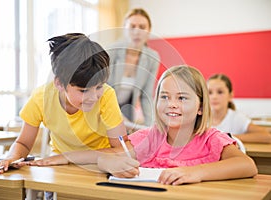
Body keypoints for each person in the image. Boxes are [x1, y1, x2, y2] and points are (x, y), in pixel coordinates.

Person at [0, 33, 129, 174]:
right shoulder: (41, 98)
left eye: (99, 87)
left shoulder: (107, 95)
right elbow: (23, 143)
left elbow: (121, 149)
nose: (94, 96)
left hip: (97, 165)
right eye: (84, 90)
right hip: (58, 167)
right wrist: (11, 158)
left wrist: (69, 157)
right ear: (60, 83)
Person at [96, 65, 257, 185]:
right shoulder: (147, 138)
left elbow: (247, 165)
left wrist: (195, 173)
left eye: (181, 98)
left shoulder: (212, 139)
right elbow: (102, 156)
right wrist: (107, 163)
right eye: (164, 97)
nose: (171, 104)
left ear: (200, 107)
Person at [106, 8, 160, 132]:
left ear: (149, 31)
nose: (137, 32)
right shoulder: (111, 52)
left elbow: (146, 96)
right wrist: (118, 117)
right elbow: (101, 90)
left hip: (127, 109)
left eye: (142, 27)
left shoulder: (152, 58)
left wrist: (150, 128)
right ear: (124, 29)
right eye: (132, 26)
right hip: (104, 106)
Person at [207, 74, 271, 144]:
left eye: (220, 92)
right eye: (210, 93)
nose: (214, 97)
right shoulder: (200, 118)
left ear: (230, 96)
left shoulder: (237, 118)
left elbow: (267, 136)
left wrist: (228, 137)